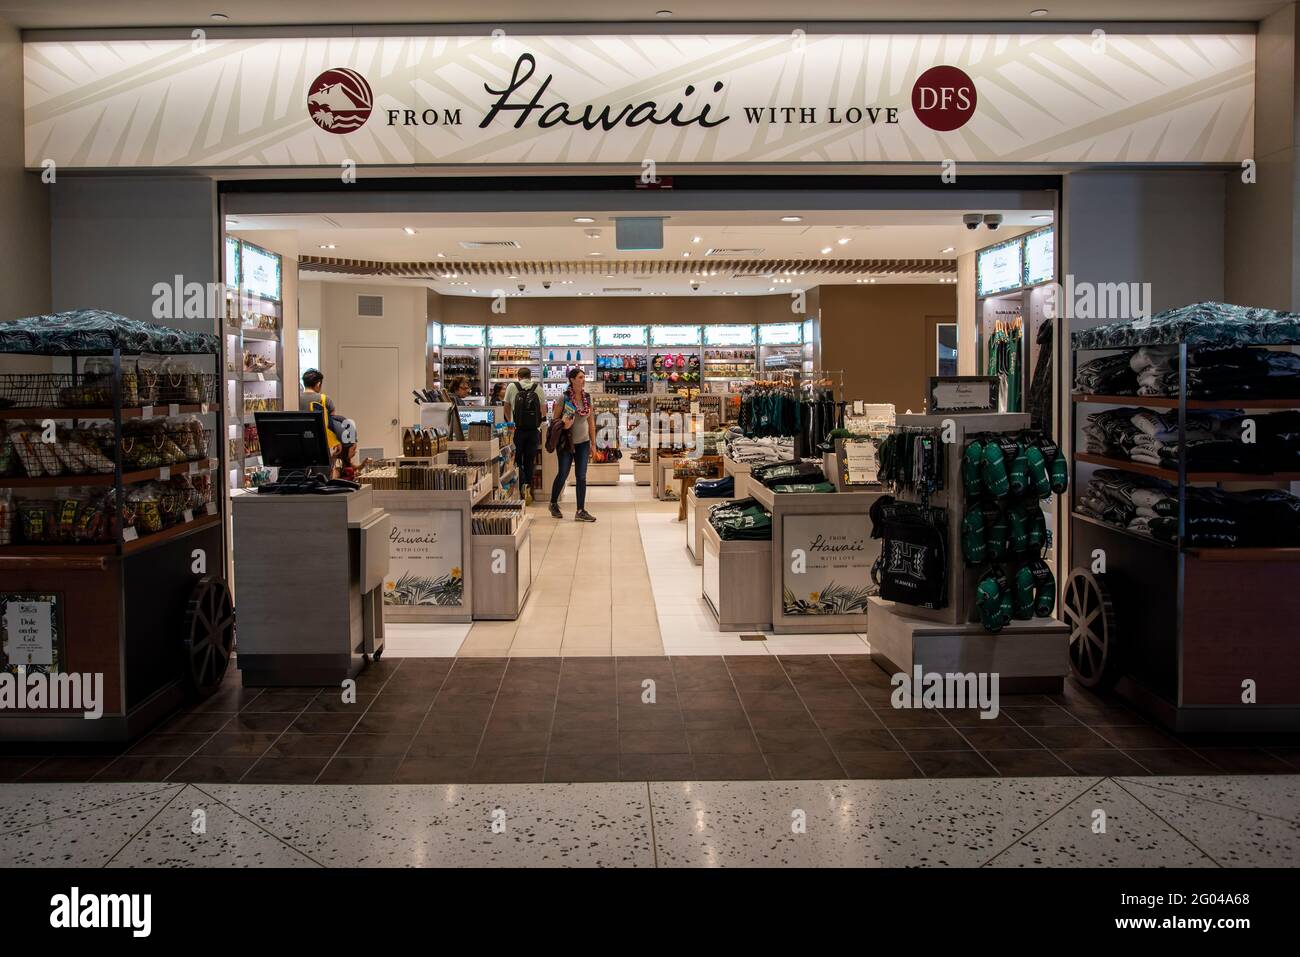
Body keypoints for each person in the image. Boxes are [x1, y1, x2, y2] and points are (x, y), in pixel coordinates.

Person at [548, 366, 596, 522]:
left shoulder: (587, 398)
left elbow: (591, 421)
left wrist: (593, 444)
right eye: (580, 378)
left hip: (583, 443)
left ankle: (580, 510)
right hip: (566, 443)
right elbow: (554, 420)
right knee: (563, 474)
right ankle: (553, 503)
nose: (583, 380)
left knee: (581, 476)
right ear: (572, 380)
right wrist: (564, 424)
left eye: (584, 377)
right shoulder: (564, 398)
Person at [507, 368, 541, 503]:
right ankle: (529, 489)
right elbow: (543, 410)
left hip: (517, 430)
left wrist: (509, 422)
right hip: (533, 431)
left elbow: (506, 407)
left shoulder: (511, 386)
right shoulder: (538, 388)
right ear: (530, 376)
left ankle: (521, 487)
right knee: (529, 461)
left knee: (516, 460)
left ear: (518, 376)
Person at [299, 368, 347, 455]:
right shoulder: (325, 399)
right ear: (318, 384)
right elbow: (333, 423)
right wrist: (336, 442)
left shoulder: (297, 399)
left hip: (301, 442)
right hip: (322, 443)